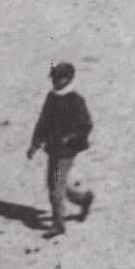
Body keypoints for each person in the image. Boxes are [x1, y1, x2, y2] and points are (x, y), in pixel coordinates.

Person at [25, 61, 95, 237]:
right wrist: (35, 144)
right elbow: (43, 123)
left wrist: (72, 137)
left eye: (59, 78)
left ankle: (58, 224)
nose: (55, 82)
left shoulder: (76, 100)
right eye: (54, 78)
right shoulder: (52, 97)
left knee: (56, 186)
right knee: (55, 185)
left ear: (69, 79)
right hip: (53, 148)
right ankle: (83, 199)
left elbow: (86, 125)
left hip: (67, 152)